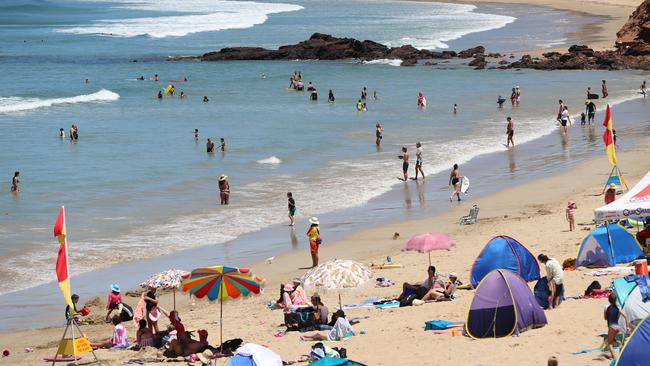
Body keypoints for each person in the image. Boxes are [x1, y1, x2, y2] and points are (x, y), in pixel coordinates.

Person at [604, 291, 629, 360]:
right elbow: (625, 317)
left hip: (612, 327)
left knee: (609, 343)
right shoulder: (617, 308)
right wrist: (627, 326)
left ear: (609, 300)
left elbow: (605, 318)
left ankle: (614, 358)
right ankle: (619, 343)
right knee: (612, 340)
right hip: (618, 327)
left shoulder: (607, 307)